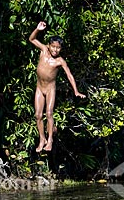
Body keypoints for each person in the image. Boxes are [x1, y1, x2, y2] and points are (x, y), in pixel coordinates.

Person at [29, 21, 86, 152]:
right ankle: (42, 138)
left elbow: (69, 75)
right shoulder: (43, 51)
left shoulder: (60, 61)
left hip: (50, 89)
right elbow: (31, 39)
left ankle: (50, 140)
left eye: (58, 48)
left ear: (61, 49)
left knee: (49, 113)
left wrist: (76, 91)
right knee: (38, 115)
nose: (55, 50)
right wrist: (37, 29)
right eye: (53, 47)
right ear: (49, 46)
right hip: (39, 88)